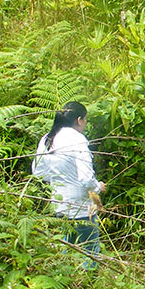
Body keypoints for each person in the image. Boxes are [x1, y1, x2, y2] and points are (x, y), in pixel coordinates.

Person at [32, 101, 105, 270]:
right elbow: (86, 179)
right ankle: (89, 286)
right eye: (85, 120)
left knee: (64, 253)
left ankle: (65, 287)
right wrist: (97, 187)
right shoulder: (78, 140)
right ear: (79, 120)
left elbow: (38, 172)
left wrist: (60, 179)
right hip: (81, 207)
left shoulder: (48, 138)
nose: (85, 124)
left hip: (59, 206)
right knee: (91, 253)